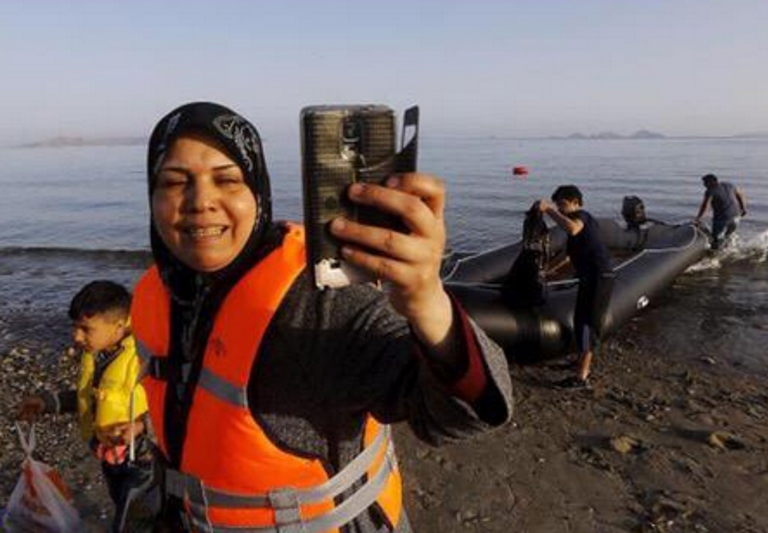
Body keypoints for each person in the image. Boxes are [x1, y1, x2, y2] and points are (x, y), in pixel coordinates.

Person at [131, 102, 512, 532]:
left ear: (258, 194)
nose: (201, 201)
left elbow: (462, 414)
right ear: (152, 196)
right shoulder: (154, 291)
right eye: (174, 182)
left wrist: (428, 302)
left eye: (228, 180)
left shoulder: (321, 303)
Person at [17, 280, 154, 532]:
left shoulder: (144, 359)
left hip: (143, 461)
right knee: (120, 502)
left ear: (119, 326)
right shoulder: (99, 353)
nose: (76, 336)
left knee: (132, 519)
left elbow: (177, 408)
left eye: (85, 328)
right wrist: (47, 403)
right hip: (109, 455)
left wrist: (141, 426)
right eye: (75, 327)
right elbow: (88, 398)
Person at [536, 186, 614, 386]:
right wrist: (547, 271)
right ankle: (578, 362)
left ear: (576, 202)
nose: (560, 209)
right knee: (580, 320)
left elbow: (572, 227)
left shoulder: (582, 216)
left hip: (600, 277)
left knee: (589, 323)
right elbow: (567, 257)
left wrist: (548, 210)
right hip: (588, 278)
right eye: (558, 205)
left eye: (563, 204)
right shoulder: (574, 232)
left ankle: (582, 377)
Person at [694, 173, 747, 250]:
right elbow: (740, 196)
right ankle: (728, 248)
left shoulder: (710, 191)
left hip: (722, 219)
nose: (704, 184)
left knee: (716, 239)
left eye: (705, 182)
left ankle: (716, 254)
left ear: (711, 182)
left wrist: (698, 218)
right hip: (736, 216)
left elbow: (705, 206)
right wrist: (743, 209)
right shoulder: (729, 185)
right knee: (728, 235)